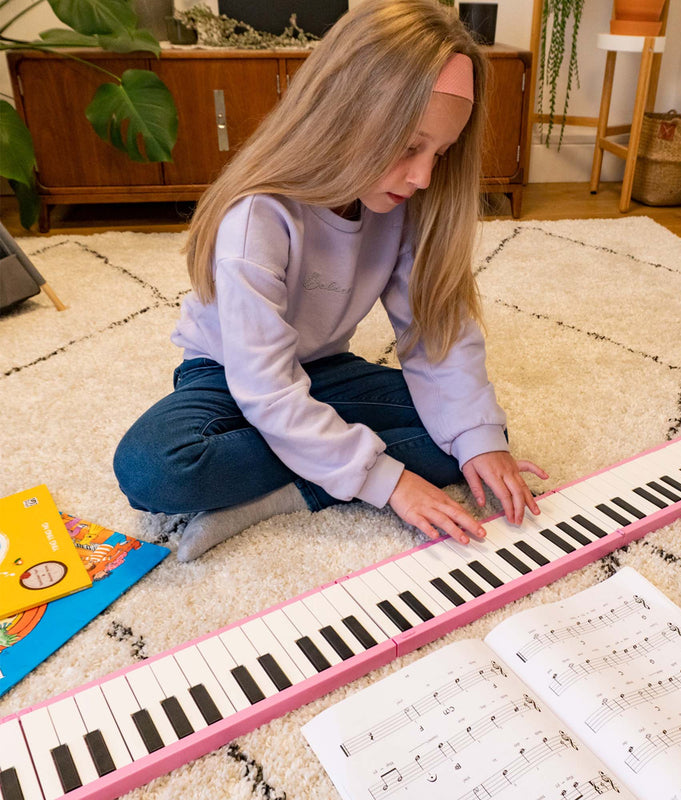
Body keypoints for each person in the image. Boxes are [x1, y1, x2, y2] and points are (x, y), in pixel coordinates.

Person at [113, 0, 548, 562]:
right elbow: (264, 386)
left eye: (440, 153)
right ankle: (329, 471)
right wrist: (388, 482)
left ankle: (283, 494)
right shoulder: (258, 216)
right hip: (225, 376)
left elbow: (438, 332)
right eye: (410, 145)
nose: (422, 177)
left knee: (468, 441)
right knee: (155, 466)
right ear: (344, 113)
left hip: (322, 370)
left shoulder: (406, 204)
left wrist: (479, 441)